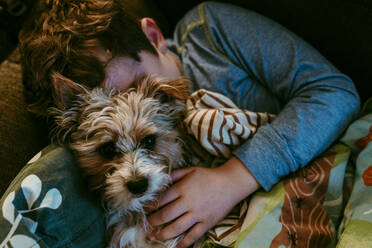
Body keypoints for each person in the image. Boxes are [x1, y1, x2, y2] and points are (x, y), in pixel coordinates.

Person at [18, 1, 360, 247]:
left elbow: (335, 93)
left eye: (136, 87)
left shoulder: (209, 33)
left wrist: (233, 178)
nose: (137, 105)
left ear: (153, 36)